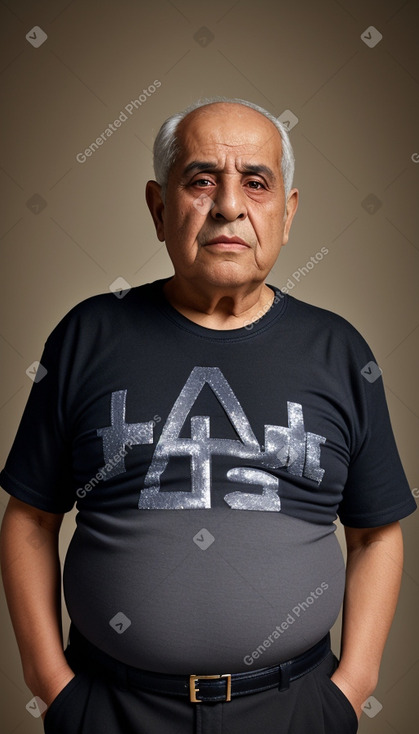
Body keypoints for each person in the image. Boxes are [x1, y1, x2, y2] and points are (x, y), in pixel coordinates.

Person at [0, 97, 416, 734]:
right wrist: (50, 685)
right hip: (111, 710)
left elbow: (375, 534)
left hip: (295, 708)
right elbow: (30, 519)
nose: (228, 206)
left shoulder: (339, 352)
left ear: (288, 211)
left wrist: (351, 688)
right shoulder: (88, 335)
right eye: (200, 181)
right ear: (159, 207)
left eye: (256, 182)